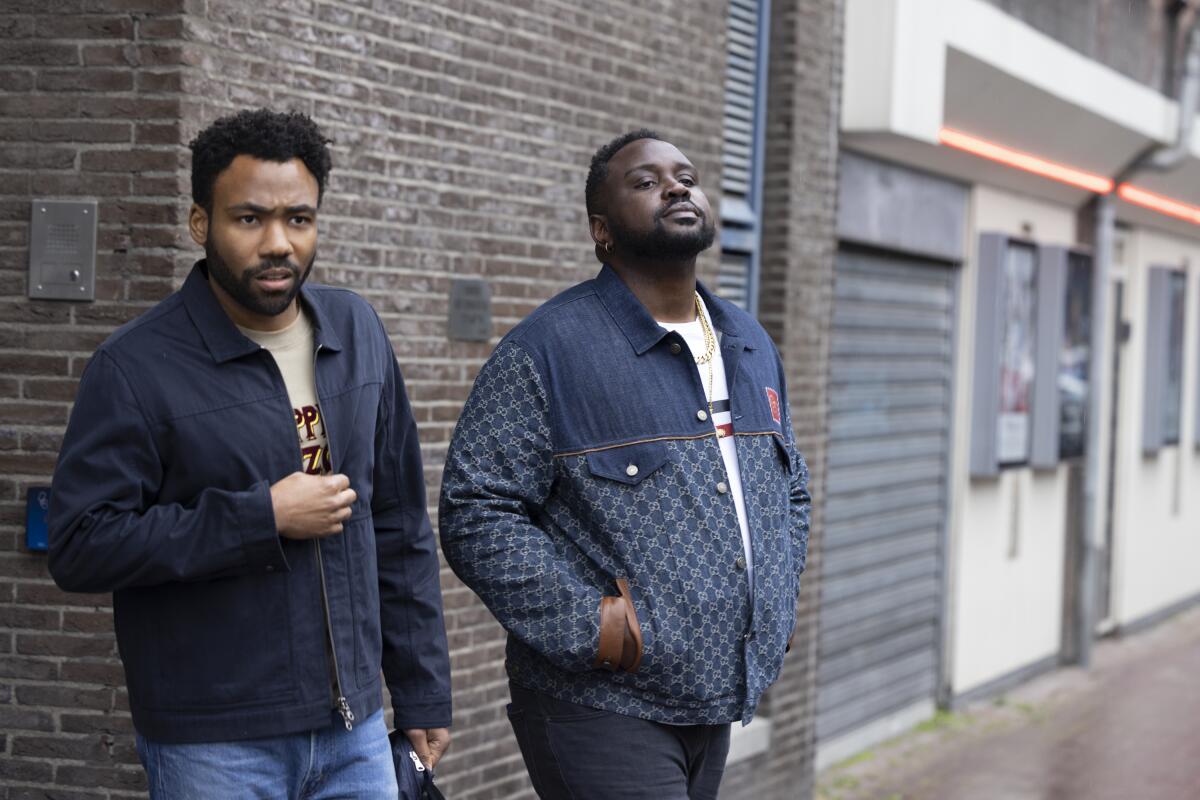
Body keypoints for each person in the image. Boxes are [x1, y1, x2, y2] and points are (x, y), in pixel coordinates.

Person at [47, 108, 451, 799]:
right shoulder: (135, 367)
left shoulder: (356, 331)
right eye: (249, 219)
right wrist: (259, 516)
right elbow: (81, 543)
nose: (278, 243)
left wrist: (422, 690)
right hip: (216, 740)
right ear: (200, 224)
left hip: (355, 730)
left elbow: (399, 522)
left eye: (299, 219)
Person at [439, 129, 811, 800]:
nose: (675, 187)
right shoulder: (548, 349)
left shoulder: (748, 343)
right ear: (601, 231)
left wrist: (774, 602)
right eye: (646, 181)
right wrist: (596, 628)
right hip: (602, 702)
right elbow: (475, 509)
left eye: (686, 176)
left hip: (715, 693)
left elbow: (791, 490)